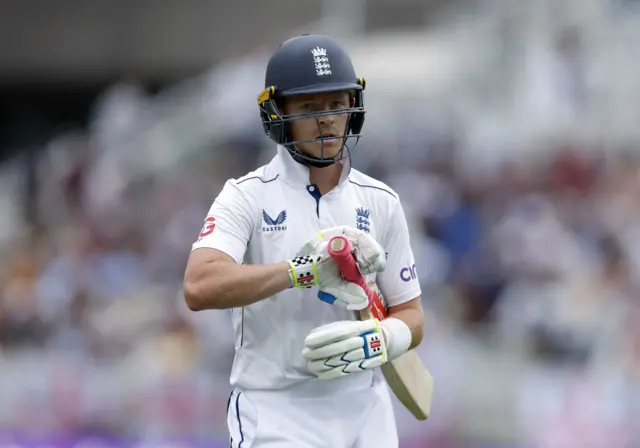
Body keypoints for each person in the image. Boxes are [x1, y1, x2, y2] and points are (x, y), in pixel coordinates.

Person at [183, 34, 424, 448]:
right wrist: (302, 272)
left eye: (336, 105)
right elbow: (199, 286)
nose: (327, 120)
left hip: (366, 408)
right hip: (276, 410)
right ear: (278, 115)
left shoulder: (381, 201)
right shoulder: (246, 195)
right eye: (309, 108)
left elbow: (411, 314)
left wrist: (385, 338)